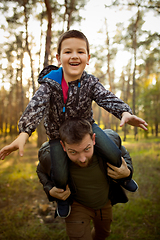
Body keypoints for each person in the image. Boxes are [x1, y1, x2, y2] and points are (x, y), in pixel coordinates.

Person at [0, 30, 147, 218]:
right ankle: (63, 198)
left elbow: (106, 97)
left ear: (88, 58)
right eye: (68, 52)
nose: (74, 56)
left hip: (86, 127)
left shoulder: (90, 82)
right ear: (59, 58)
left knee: (112, 151)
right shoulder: (50, 84)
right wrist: (24, 134)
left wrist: (124, 112)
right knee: (60, 175)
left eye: (80, 52)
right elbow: (35, 106)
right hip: (57, 135)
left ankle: (124, 178)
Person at [37, 118, 135, 240]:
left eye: (86, 149)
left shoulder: (108, 145)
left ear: (93, 139)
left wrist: (128, 171)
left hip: (104, 203)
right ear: (63, 146)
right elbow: (40, 170)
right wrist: (49, 189)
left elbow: (123, 153)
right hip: (77, 206)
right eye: (73, 152)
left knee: (104, 233)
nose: (82, 158)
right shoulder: (51, 158)